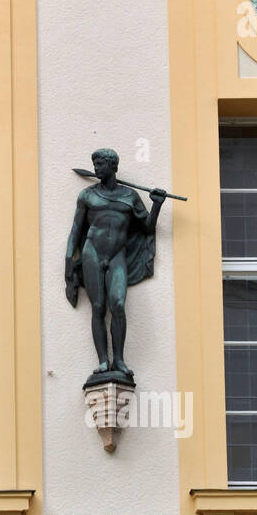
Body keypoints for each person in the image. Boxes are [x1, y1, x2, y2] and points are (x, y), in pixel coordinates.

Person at [65, 148, 166, 383]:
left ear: (112, 166)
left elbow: (147, 227)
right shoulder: (87, 195)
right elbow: (75, 231)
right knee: (98, 306)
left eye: (100, 164)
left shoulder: (130, 196)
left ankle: (118, 359)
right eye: (95, 164)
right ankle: (103, 360)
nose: (96, 167)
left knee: (118, 304)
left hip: (118, 254)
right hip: (92, 253)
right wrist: (68, 261)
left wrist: (157, 205)